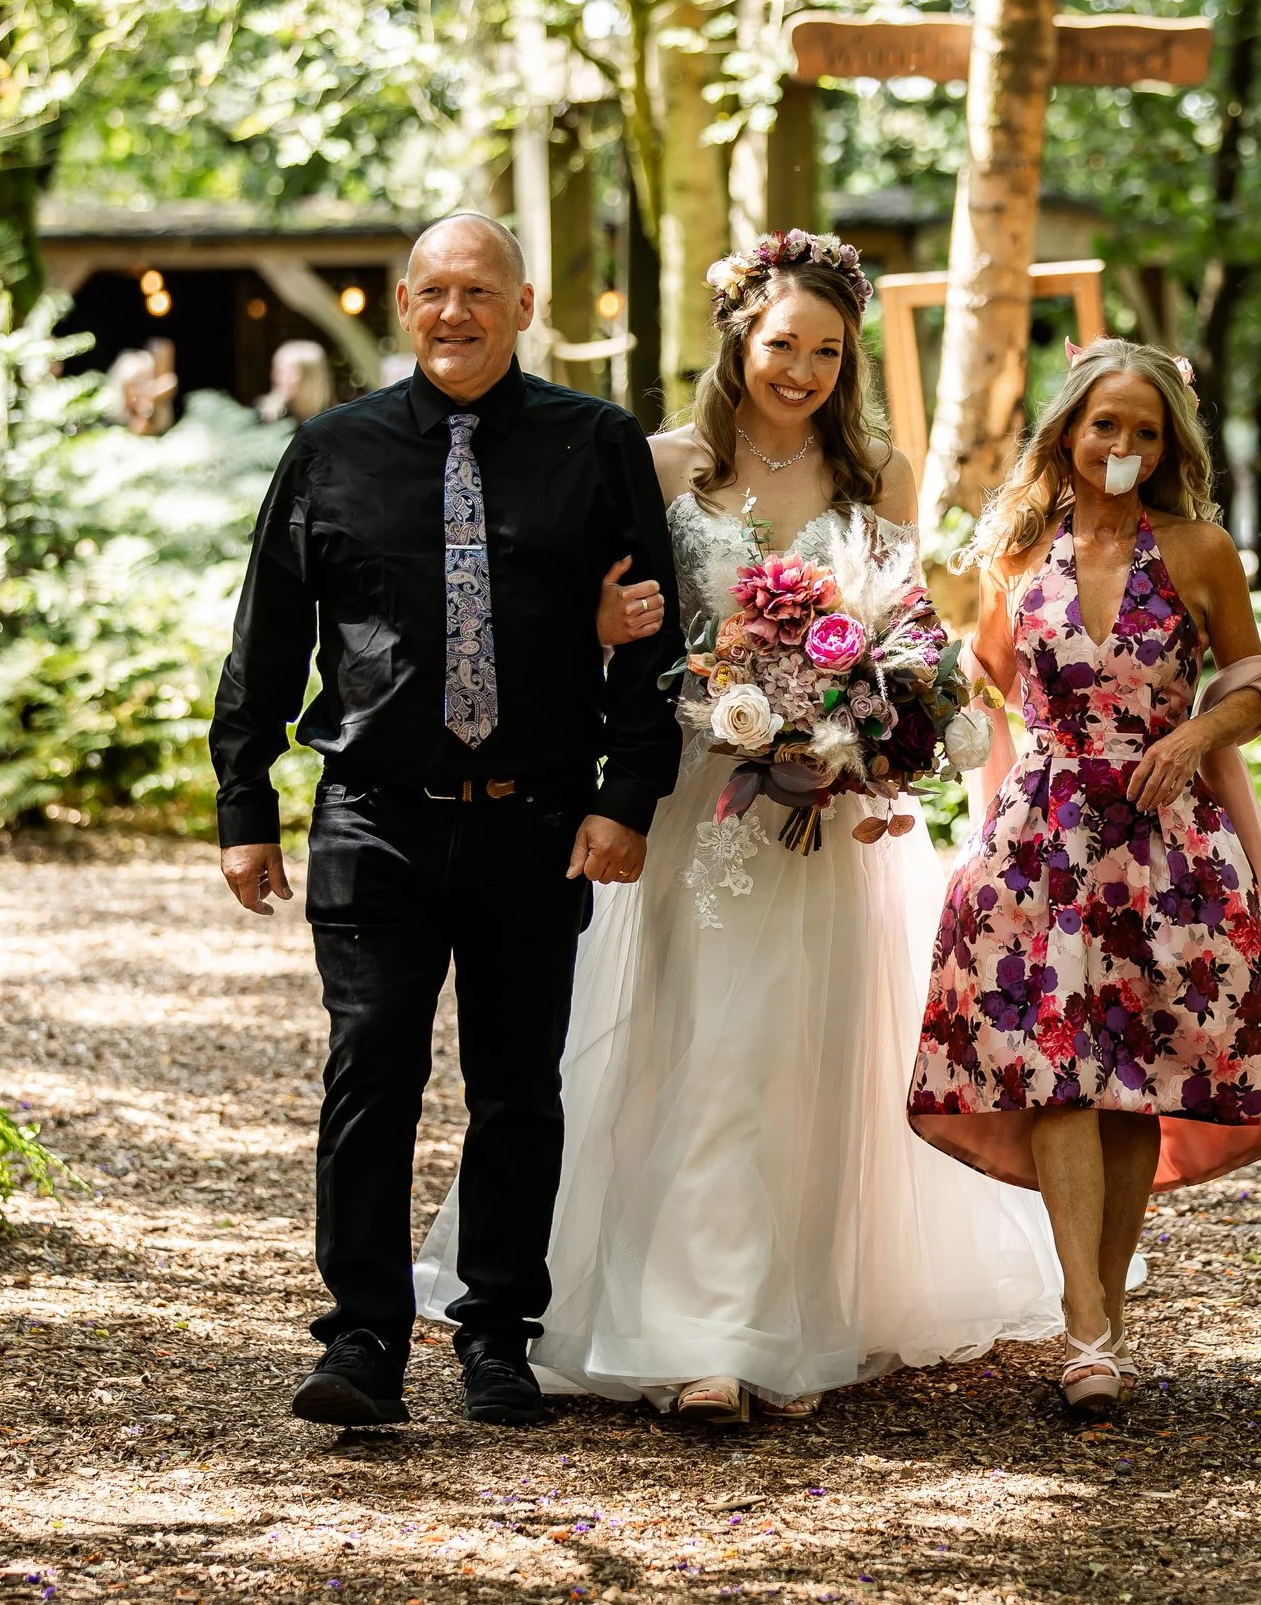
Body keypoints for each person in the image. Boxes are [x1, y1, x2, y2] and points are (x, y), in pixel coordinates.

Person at [415, 231, 1063, 1424]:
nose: (801, 369)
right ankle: (689, 1326)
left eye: (826, 350)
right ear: (737, 340)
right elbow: (602, 620)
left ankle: (766, 1313)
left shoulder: (879, 471)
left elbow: (908, 632)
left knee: (789, 1055)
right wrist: (629, 643)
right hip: (691, 799)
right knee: (693, 1041)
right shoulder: (660, 464)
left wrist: (875, 739)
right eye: (781, 344)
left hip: (823, 810)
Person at [210, 212, 685, 1429]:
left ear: (524, 307)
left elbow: (652, 633)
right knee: (371, 1068)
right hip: (375, 817)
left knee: (518, 1086)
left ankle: (495, 1336)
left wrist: (624, 795)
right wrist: (244, 802)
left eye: (480, 291)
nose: (454, 313)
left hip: (533, 818)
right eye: (433, 292)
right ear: (403, 304)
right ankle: (364, 1337)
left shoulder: (595, 443)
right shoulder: (332, 451)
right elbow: (266, 635)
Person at [908, 338, 1261, 1413]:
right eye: (1103, 424)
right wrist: (967, 819)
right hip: (1038, 841)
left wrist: (1191, 736)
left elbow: (1254, 687)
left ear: (1166, 444)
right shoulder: (1019, 550)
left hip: (1159, 848)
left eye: (1143, 429)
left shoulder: (1199, 549)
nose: (1120, 444)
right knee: (1054, 1071)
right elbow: (986, 693)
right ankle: (1086, 1320)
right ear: (1069, 433)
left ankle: (1102, 1319)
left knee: (1135, 1080)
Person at [258, 339, 335, 423]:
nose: (276, 378)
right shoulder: (264, 412)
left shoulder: (330, 420)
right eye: (275, 370)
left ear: (310, 379)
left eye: (285, 372)